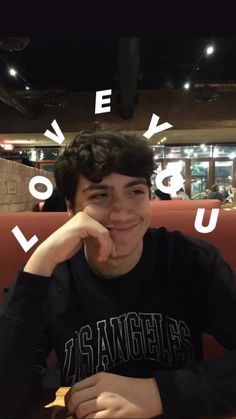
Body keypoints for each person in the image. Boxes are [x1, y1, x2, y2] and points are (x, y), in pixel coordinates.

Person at [0, 128, 236, 419]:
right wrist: (39, 263)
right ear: (71, 208)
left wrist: (161, 392)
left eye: (135, 191)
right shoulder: (51, 275)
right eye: (100, 195)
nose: (122, 211)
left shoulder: (191, 261)